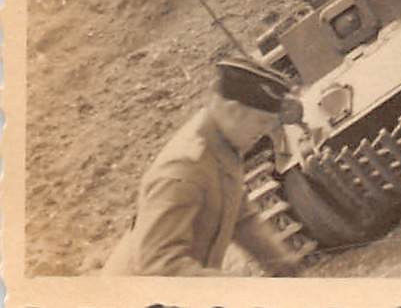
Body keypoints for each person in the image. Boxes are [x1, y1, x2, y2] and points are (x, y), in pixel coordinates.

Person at [103, 57, 302, 276]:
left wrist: (281, 264)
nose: (265, 131)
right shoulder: (185, 169)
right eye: (261, 122)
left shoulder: (224, 147)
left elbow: (241, 217)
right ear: (234, 110)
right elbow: (160, 266)